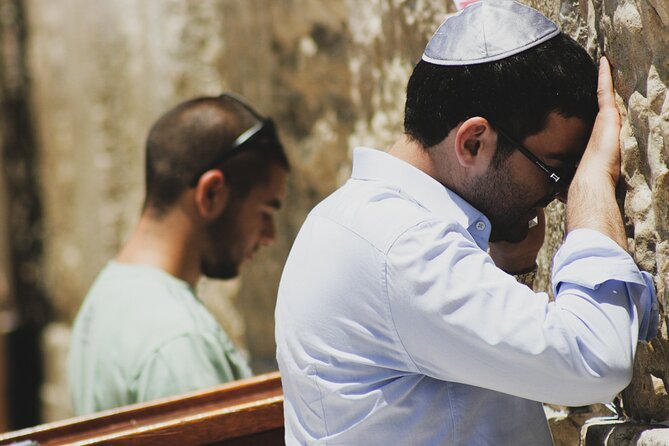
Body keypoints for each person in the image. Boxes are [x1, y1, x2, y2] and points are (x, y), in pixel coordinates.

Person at [275, 1, 658, 445]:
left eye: (571, 176)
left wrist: (507, 270)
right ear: (473, 142)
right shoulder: (401, 248)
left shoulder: (350, 220)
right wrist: (591, 191)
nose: (558, 193)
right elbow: (593, 360)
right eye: (556, 169)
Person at [68, 94, 290, 415]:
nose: (270, 236)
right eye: (265, 211)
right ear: (211, 193)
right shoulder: (178, 342)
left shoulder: (104, 296)